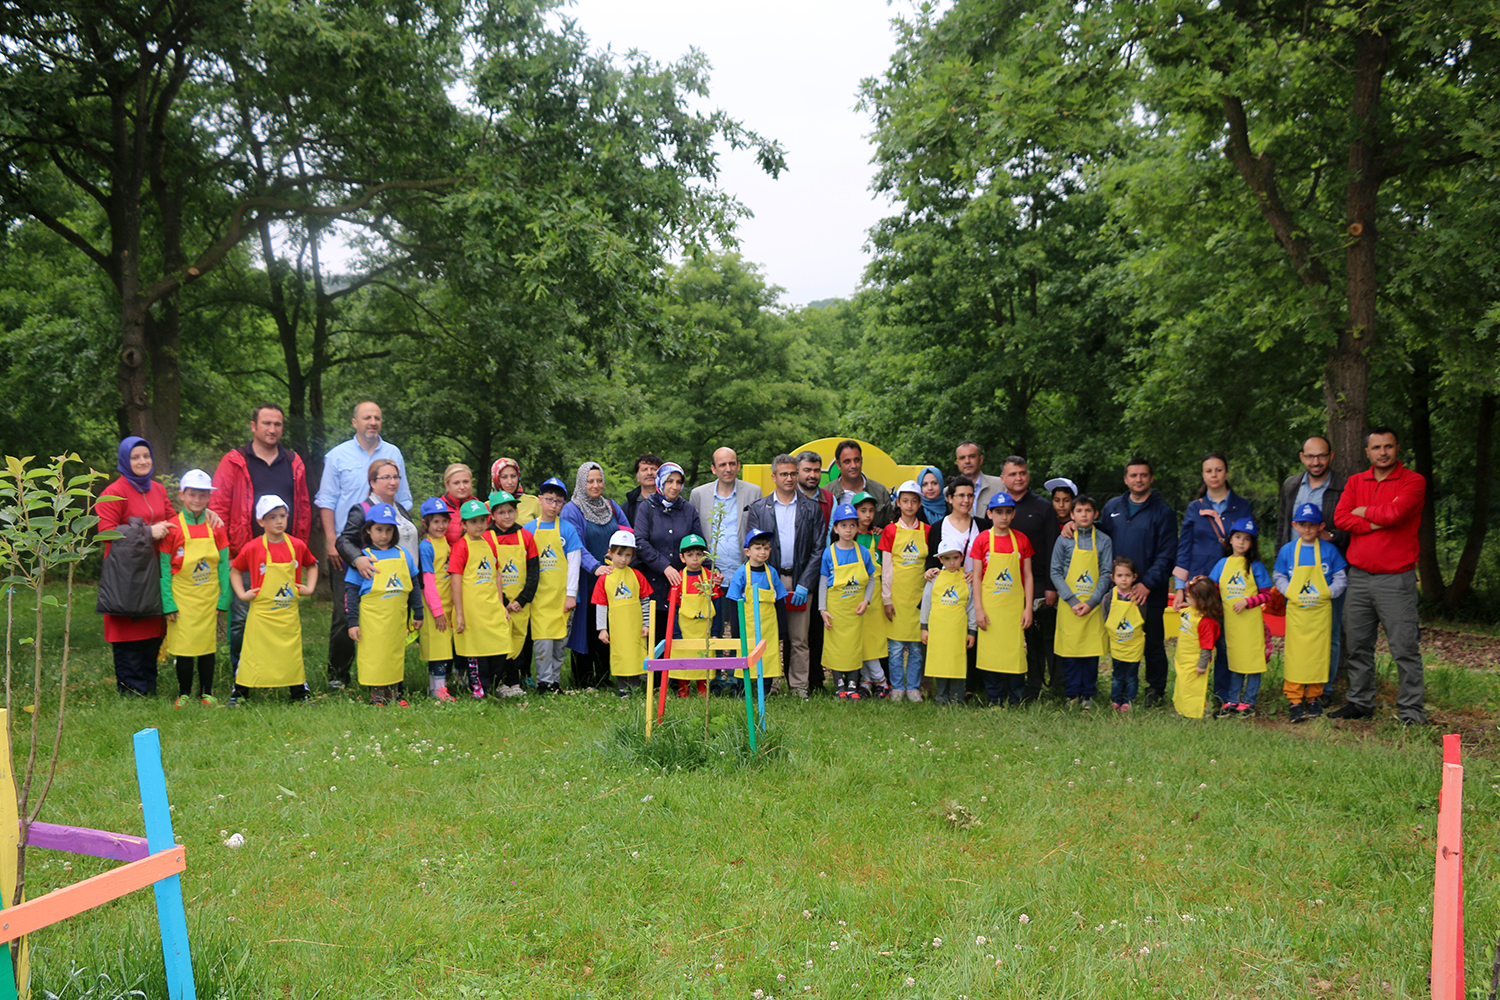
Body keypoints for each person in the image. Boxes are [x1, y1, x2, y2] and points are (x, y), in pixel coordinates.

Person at [1330, 428, 1428, 724]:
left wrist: (1364, 512)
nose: (1382, 452)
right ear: (1367, 452)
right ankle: (1360, 702)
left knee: (1404, 647)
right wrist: (1375, 520)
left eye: (1388, 446)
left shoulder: (1413, 481)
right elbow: (1341, 518)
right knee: (1358, 645)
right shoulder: (1356, 481)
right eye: (1376, 447)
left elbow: (1396, 515)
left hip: (1396, 580)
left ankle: (1411, 710)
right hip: (1358, 577)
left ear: (1397, 448)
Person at [315, 401, 411, 690]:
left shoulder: (392, 453)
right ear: (354, 422)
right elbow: (327, 500)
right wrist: (332, 542)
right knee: (346, 611)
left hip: (386, 543)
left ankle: (384, 672)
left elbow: (404, 499)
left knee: (386, 609)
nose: (373, 421)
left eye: (377, 417)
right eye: (366, 417)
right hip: (349, 543)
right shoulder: (337, 456)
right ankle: (338, 673)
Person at [209, 404, 311, 672]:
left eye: (277, 424)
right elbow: (218, 509)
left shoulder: (293, 462)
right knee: (242, 619)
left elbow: (302, 508)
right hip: (245, 554)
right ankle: (241, 676)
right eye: (266, 423)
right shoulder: (235, 461)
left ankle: (280, 674)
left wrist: (299, 551)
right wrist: (227, 552)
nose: (272, 429)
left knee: (282, 617)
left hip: (283, 555)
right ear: (254, 426)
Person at [1171, 452, 1252, 713]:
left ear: (1227, 473)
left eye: (1219, 470)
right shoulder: (1195, 508)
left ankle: (1224, 698)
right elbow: (1184, 548)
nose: (1214, 475)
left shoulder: (1241, 506)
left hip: (1232, 587)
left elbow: (1250, 547)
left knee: (1227, 643)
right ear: (1203, 475)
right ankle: (1195, 699)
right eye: (1209, 471)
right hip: (1200, 587)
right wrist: (1180, 588)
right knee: (1198, 644)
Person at [96, 436, 176, 696]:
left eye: (146, 456)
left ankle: (148, 689)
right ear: (124, 461)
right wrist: (146, 532)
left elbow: (175, 519)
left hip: (153, 572)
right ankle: (131, 691)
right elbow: (106, 533)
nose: (142, 461)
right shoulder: (113, 492)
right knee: (129, 632)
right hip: (126, 577)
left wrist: (201, 515)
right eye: (135, 457)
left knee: (152, 633)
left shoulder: (158, 489)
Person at [1097, 459, 1176, 708]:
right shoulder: (1112, 507)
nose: (1138, 479)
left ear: (1151, 478)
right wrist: (1071, 526)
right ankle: (1119, 690)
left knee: (1152, 643)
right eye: (1133, 475)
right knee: (1121, 641)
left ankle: (1155, 689)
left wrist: (1147, 584)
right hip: (1119, 592)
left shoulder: (1163, 512)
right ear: (1125, 479)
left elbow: (1167, 554)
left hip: (1148, 593)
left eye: (1143, 475)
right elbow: (1098, 536)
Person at [744, 455, 823, 698]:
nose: (789, 478)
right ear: (774, 477)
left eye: (792, 474)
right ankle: (771, 684)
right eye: (783, 474)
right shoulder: (759, 509)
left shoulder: (812, 508)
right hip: (768, 582)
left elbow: (818, 548)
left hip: (800, 580)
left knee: (800, 638)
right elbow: (753, 547)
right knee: (768, 635)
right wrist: (767, 580)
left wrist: (804, 584)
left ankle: (799, 686)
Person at [229, 495, 318, 705]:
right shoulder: (253, 548)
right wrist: (242, 594)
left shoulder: (296, 545)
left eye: (282, 516)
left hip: (287, 615)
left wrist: (310, 587)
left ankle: (299, 692)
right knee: (252, 652)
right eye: (272, 517)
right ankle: (240, 692)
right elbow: (234, 570)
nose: (279, 521)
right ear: (260, 521)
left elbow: (312, 564)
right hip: (261, 615)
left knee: (291, 652)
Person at [1277, 436, 1350, 687]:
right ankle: (1296, 684)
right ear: (1302, 457)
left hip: (1327, 572)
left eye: (1321, 455)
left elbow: (1352, 525)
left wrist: (1334, 536)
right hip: (1295, 572)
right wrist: (1280, 564)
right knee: (1297, 634)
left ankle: (1324, 688)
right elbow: (1283, 525)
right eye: (1310, 456)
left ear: (1330, 456)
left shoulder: (1344, 486)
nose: (1315, 461)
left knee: (1330, 634)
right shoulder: (1291, 485)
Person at [690, 447, 764, 689]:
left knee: (741, 629)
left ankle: (738, 678)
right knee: (714, 627)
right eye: (722, 465)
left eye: (732, 463)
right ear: (713, 469)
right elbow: (696, 534)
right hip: (710, 577)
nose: (728, 469)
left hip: (742, 574)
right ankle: (711, 678)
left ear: (738, 465)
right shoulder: (698, 495)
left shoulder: (753, 492)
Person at [158, 469, 231, 707]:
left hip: (209, 598)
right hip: (182, 600)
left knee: (207, 648)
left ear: (209, 497)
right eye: (192, 494)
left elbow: (223, 565)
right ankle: (185, 693)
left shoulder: (217, 527)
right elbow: (164, 569)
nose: (197, 500)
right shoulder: (173, 529)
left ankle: (207, 693)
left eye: (202, 495)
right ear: (181, 495)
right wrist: (168, 602)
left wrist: (224, 598)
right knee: (184, 648)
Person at [1276, 503, 1350, 722]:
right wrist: (1289, 591)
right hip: (1297, 615)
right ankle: (1295, 699)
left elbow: (1341, 577)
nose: (1307, 529)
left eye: (1312, 525)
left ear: (1321, 526)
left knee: (1319, 655)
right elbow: (1279, 575)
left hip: (1320, 614)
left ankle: (1314, 697)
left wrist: (1328, 593)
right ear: (1294, 525)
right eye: (1302, 525)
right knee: (1296, 656)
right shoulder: (1288, 550)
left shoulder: (1329, 550)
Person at [343, 503, 423, 706]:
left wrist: (419, 613)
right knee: (375, 655)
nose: (384, 535)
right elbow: (351, 592)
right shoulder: (363, 559)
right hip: (372, 621)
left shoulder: (404, 555)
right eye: (379, 529)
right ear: (368, 530)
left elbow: (413, 585)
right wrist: (352, 621)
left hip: (396, 620)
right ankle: (377, 693)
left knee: (394, 655)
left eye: (389, 530)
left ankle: (395, 692)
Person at [562, 462, 632, 691]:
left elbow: (627, 533)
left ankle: (603, 677)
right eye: (590, 481)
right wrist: (595, 567)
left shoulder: (610, 506)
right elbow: (576, 546)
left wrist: (618, 553)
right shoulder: (572, 509)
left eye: (599, 480)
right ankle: (583, 679)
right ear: (581, 483)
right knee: (585, 628)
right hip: (586, 579)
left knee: (606, 627)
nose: (595, 485)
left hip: (611, 580)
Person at [997, 456, 1060, 701]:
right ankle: (1004, 687)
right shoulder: (995, 507)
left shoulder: (1043, 508)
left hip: (1037, 585)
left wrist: (1051, 587)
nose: (1018, 478)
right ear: (1003, 479)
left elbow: (1053, 547)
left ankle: (1033, 689)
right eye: (1012, 474)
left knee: (1035, 641)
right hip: (1002, 588)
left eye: (1022, 472)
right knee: (1006, 638)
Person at [634, 462, 707, 650]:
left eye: (678, 482)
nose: (674, 487)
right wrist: (664, 566)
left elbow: (698, 543)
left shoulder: (688, 510)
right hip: (654, 585)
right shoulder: (646, 508)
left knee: (680, 638)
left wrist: (711, 570)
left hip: (683, 587)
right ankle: (656, 679)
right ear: (660, 482)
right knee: (657, 640)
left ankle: (680, 679)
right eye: (669, 481)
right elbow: (640, 542)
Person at [970, 493, 1034, 706]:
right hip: (990, 608)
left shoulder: (1022, 540)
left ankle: (1016, 697)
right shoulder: (982, 540)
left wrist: (1028, 609)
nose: (1003, 517)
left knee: (1015, 652)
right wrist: (978, 609)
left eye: (1008, 512)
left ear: (1014, 514)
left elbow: (1028, 576)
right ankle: (994, 697)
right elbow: (977, 577)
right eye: (999, 512)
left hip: (1014, 609)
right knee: (991, 654)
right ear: (990, 514)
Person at [1051, 495, 1112, 710]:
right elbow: (1055, 571)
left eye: (1088, 511)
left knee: (1090, 654)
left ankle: (1088, 694)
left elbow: (1106, 573)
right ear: (1072, 515)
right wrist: (1071, 599)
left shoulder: (1104, 540)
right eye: (1079, 511)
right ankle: (1072, 694)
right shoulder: (1064, 540)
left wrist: (1092, 601)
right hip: (1069, 606)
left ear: (1095, 514)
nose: (1084, 515)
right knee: (1071, 654)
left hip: (1093, 607)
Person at [1211, 517, 1274, 718]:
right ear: (1230, 540)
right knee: (1235, 660)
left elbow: (1267, 594)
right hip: (1231, 624)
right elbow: (1211, 589)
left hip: (1251, 624)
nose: (1241, 542)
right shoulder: (1222, 564)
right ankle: (1232, 699)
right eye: (1237, 537)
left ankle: (1249, 701)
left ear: (1252, 544)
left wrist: (1248, 601)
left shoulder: (1255, 566)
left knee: (1252, 662)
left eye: (1246, 539)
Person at [524, 477, 582, 694]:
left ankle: (555, 682)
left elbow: (574, 564)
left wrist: (570, 594)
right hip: (538, 598)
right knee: (542, 644)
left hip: (561, 597)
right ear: (540, 500)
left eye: (558, 501)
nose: (553, 505)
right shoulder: (529, 530)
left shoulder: (568, 530)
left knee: (559, 643)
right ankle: (543, 682)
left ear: (563, 505)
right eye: (549, 499)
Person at [449, 498, 510, 697]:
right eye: (473, 521)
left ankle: (492, 684)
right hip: (472, 610)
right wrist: (459, 614)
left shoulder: (489, 543)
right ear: (464, 524)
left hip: (491, 608)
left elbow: (497, 574)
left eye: (482, 520)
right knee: (477, 651)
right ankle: (478, 688)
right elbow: (456, 581)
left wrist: (501, 606)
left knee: (498, 647)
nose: (478, 525)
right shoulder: (461, 547)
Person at [820, 504, 878, 699]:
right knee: (837, 648)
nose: (848, 530)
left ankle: (852, 686)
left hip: (855, 611)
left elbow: (871, 578)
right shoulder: (829, 553)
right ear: (835, 528)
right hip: (836, 610)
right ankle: (839, 685)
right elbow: (822, 582)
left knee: (854, 647)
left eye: (852, 525)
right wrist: (822, 609)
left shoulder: (863, 552)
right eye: (843, 525)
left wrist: (867, 600)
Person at [879, 480, 931, 701]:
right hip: (897, 597)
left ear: (919, 504)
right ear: (898, 503)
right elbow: (886, 567)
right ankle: (897, 686)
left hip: (919, 597)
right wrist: (886, 598)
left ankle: (914, 687)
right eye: (905, 501)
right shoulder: (890, 531)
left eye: (914, 501)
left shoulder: (928, 531)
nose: (909, 505)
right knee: (896, 647)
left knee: (917, 647)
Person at [591, 529, 652, 697]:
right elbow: (601, 605)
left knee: (636, 655)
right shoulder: (605, 577)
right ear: (610, 553)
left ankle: (637, 688)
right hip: (617, 628)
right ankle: (623, 689)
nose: (623, 559)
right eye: (619, 554)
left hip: (635, 626)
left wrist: (646, 624)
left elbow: (645, 601)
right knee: (620, 656)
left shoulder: (637, 575)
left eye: (628, 555)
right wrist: (602, 629)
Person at [489, 491, 539, 698]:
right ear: (492, 515)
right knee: (501, 641)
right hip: (498, 602)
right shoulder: (486, 537)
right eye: (502, 512)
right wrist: (504, 601)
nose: (507, 516)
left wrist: (522, 599)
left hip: (521, 603)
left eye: (511, 511)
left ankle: (515, 681)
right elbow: (487, 574)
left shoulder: (526, 536)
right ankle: (501, 682)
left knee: (519, 640)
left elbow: (534, 570)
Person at [725, 529, 787, 695]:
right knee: (746, 656)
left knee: (767, 657)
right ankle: (743, 689)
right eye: (758, 548)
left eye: (766, 548)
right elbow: (733, 602)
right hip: (748, 627)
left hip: (769, 627)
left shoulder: (772, 573)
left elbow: (780, 600)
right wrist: (736, 632)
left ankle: (765, 690)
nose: (763, 552)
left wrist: (782, 629)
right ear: (747, 551)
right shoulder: (740, 574)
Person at [921, 543, 976, 705]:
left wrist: (971, 631)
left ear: (962, 557)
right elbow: (926, 604)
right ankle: (942, 696)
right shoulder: (934, 579)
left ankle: (957, 697)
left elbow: (971, 607)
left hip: (958, 629)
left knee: (957, 663)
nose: (952, 562)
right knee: (940, 662)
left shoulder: (967, 580)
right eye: (947, 558)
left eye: (955, 558)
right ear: (940, 559)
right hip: (938, 629)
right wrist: (924, 627)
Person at [416, 497, 457, 701]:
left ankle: (439, 687)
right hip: (435, 606)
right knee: (437, 649)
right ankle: (438, 690)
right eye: (436, 522)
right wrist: (437, 611)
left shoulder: (445, 542)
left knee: (444, 647)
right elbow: (428, 582)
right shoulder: (426, 546)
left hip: (448, 603)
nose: (441, 526)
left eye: (444, 521)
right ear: (426, 524)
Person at [669, 534, 718, 697]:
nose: (695, 559)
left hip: (705, 631)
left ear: (705, 556)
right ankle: (684, 691)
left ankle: (703, 692)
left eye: (698, 554)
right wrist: (676, 633)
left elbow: (717, 605)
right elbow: (674, 609)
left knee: (704, 663)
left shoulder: (710, 578)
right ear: (682, 558)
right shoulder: (678, 579)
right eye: (690, 555)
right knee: (684, 664)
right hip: (684, 632)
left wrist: (716, 632)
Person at [1171, 576, 1222, 720]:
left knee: (1193, 688)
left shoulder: (1206, 622)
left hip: (1195, 662)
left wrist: (1202, 665)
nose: (1186, 598)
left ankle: (1194, 713)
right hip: (1183, 659)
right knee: (1182, 685)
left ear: (1200, 601)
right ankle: (1182, 710)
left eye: (1190, 596)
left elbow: (1207, 647)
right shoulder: (1192, 610)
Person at [1102, 557, 1144, 711]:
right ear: (1113, 578)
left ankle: (1128, 701)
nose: (1124, 579)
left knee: (1132, 676)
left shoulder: (1138, 597)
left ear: (1134, 577)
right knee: (1117, 675)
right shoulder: (1108, 597)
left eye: (1127, 575)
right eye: (1120, 576)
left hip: (1134, 645)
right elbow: (1105, 616)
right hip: (1118, 645)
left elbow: (1142, 617)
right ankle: (1116, 699)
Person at [828, 440, 893, 528]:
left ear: (861, 461)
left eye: (857, 460)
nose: (853, 465)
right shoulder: (827, 494)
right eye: (847, 461)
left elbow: (889, 528)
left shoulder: (880, 491)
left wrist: (882, 532)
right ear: (838, 464)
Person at [955, 441, 1004, 512]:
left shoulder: (1000, 486)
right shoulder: (948, 492)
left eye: (972, 456)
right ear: (957, 462)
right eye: (962, 458)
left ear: (981, 460)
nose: (967, 461)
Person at [491, 457, 541, 526]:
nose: (510, 482)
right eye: (504, 477)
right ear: (496, 480)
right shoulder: (488, 506)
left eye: (513, 476)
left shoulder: (534, 502)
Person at [438, 464, 476, 543]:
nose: (462, 487)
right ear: (447, 485)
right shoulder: (438, 508)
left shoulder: (480, 507)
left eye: (465, 482)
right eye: (456, 483)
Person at [624, 453, 663, 527]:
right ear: (637, 477)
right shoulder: (629, 507)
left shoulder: (671, 502)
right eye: (644, 469)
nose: (649, 473)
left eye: (654, 469)